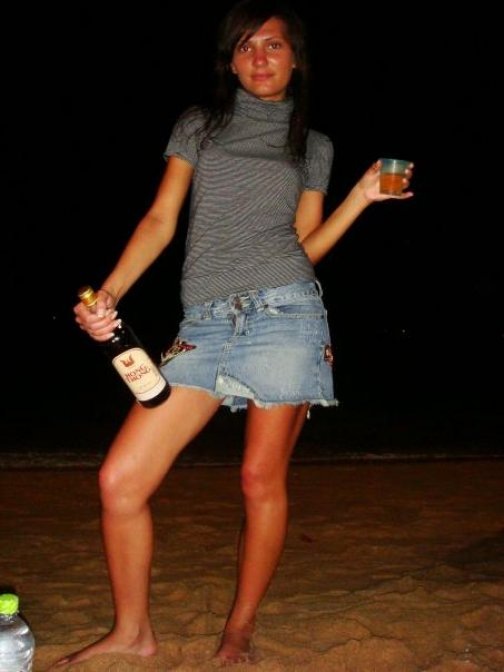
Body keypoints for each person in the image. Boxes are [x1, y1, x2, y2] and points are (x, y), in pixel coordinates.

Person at [57, 0, 413, 666]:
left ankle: (239, 628)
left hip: (285, 315)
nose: (259, 57)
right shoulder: (200, 126)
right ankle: (133, 633)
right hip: (204, 325)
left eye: (273, 45)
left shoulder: (313, 145)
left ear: (296, 58)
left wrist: (361, 199)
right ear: (230, 61)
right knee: (120, 480)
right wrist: (109, 294)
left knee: (258, 480)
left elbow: (304, 248)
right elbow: (161, 220)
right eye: (245, 46)